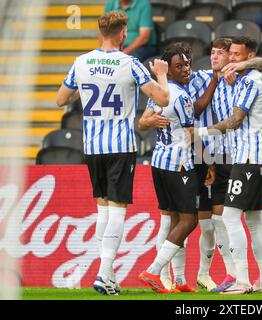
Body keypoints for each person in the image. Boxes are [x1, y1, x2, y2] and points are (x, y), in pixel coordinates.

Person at [55, 10, 170, 296]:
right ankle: (104, 275)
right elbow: (163, 98)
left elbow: (60, 99)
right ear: (122, 34)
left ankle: (107, 274)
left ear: (99, 33)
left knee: (103, 209)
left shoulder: (80, 62)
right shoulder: (129, 63)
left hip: (92, 146)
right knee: (117, 210)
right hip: (119, 145)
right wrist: (162, 76)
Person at [193, 36, 262, 295]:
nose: (230, 58)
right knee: (254, 217)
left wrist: (201, 133)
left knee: (229, 216)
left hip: (248, 155)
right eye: (230, 54)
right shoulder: (235, 76)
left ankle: (242, 280)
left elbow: (236, 120)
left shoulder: (250, 79)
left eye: (236, 55)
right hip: (247, 154)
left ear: (247, 55)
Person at [137, 43, 200, 294]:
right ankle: (153, 271)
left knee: (174, 221)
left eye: (187, 64)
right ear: (169, 72)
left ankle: (179, 280)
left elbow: (143, 122)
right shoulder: (181, 96)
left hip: (159, 162)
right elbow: (189, 134)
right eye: (179, 66)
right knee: (189, 221)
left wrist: (149, 121)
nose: (185, 69)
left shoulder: (158, 93)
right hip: (179, 163)